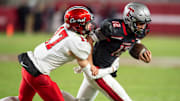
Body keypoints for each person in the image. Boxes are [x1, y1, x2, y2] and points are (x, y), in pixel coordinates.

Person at [0, 6, 97, 101]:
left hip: (28, 66)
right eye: (87, 23)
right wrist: (93, 39)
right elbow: (86, 58)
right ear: (78, 25)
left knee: (22, 100)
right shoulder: (75, 41)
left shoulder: (63, 28)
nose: (90, 26)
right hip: (38, 75)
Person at [62, 2, 152, 101]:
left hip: (102, 70)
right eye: (140, 23)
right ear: (129, 20)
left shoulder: (137, 33)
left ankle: (54, 94)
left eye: (144, 24)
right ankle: (52, 93)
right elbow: (90, 39)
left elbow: (133, 43)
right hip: (98, 72)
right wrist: (90, 64)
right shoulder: (113, 28)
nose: (142, 27)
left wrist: (141, 52)